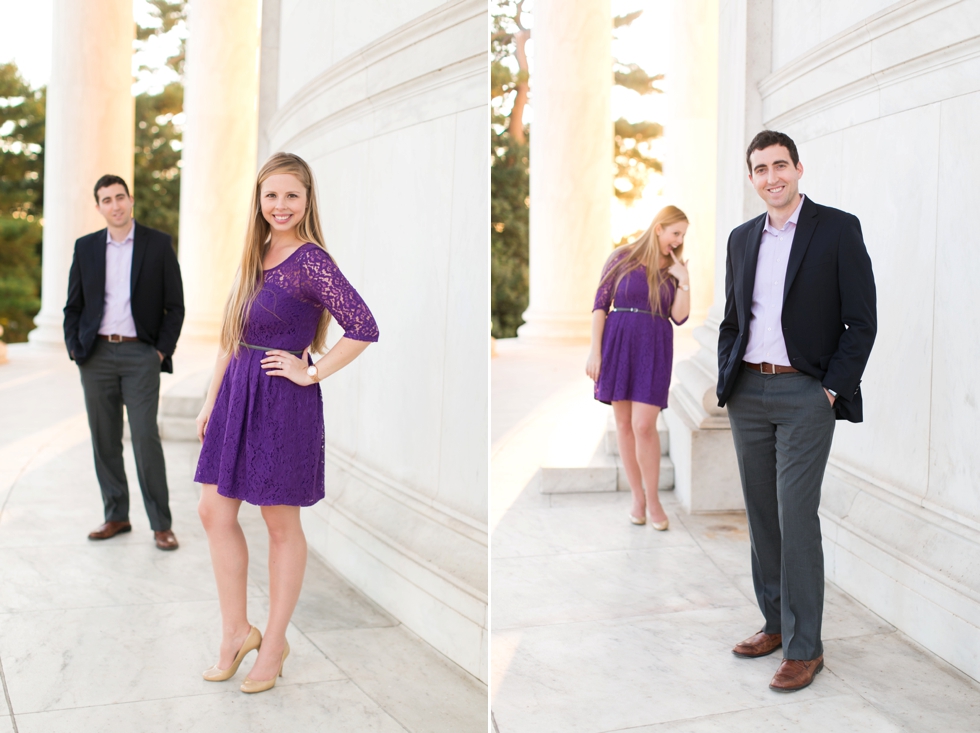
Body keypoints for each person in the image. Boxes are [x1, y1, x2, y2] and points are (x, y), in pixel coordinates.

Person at [194, 152, 379, 694]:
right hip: (235, 393)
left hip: (281, 402)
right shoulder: (255, 253)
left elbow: (364, 326)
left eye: (291, 196)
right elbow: (232, 334)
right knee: (213, 510)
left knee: (280, 525)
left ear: (306, 201)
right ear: (258, 199)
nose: (280, 205)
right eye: (271, 195)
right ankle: (236, 633)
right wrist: (211, 401)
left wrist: (312, 371)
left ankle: (272, 644)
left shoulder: (312, 260)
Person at [717, 130, 876, 692]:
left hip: (806, 394)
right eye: (760, 169)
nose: (771, 177)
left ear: (799, 169)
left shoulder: (836, 229)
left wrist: (830, 390)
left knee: (795, 516)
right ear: (753, 177)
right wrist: (726, 381)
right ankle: (775, 623)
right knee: (762, 517)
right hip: (748, 396)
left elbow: (862, 321)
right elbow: (734, 320)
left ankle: (806, 647)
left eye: (779, 165)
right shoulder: (741, 239)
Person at [63, 174, 184, 550]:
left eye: (120, 197)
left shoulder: (158, 244)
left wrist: (159, 352)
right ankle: (116, 515)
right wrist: (76, 349)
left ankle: (161, 524)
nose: (114, 205)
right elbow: (73, 306)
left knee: (145, 436)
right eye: (106, 200)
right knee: (104, 438)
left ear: (131, 200)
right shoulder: (85, 248)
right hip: (96, 355)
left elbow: (175, 306)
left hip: (140, 354)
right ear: (98, 207)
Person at [586, 206, 691, 530]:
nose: (679, 240)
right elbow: (600, 305)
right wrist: (594, 352)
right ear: (659, 228)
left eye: (683, 235)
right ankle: (637, 498)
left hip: (656, 345)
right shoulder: (622, 256)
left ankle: (654, 500)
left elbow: (680, 316)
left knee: (644, 424)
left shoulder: (674, 267)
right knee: (624, 425)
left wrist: (684, 281)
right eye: (676, 233)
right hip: (618, 343)